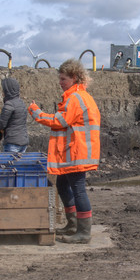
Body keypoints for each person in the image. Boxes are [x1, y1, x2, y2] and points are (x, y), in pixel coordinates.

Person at [29, 58, 101, 243]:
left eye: (63, 79)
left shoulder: (76, 98)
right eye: (60, 79)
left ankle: (83, 232)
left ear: (74, 78)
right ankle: (73, 224)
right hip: (74, 152)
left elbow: (60, 121)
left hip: (77, 153)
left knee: (78, 190)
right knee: (62, 185)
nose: (60, 83)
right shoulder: (78, 96)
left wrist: (36, 112)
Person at [0, 76, 29, 154]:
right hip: (23, 140)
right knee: (19, 165)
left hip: (12, 141)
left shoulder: (9, 104)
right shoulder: (21, 103)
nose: (2, 92)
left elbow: (2, 124)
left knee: (10, 165)